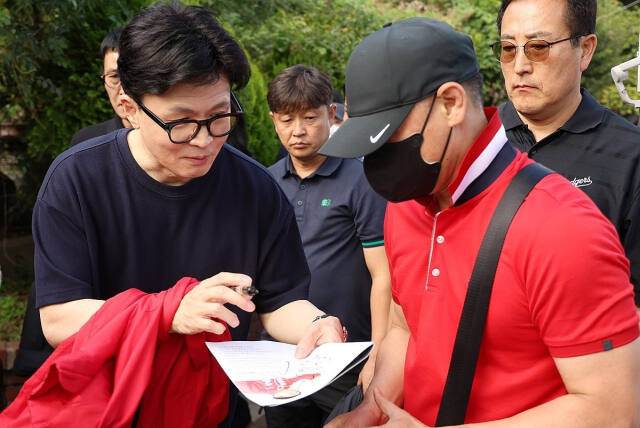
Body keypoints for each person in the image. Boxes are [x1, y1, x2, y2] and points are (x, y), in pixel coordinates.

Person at [31, 2, 344, 426]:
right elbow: (58, 318)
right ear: (129, 106)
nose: (204, 141)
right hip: (105, 409)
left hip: (211, 412)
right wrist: (168, 312)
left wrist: (318, 323)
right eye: (181, 122)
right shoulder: (76, 181)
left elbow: (281, 300)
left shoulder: (255, 189)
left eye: (219, 117)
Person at [318, 17, 640, 427]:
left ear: (451, 104)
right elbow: (403, 324)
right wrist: (372, 408)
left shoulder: (562, 227)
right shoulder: (406, 204)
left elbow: (613, 410)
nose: (377, 158)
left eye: (387, 135)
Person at [265, 65, 390, 427]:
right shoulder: (267, 183)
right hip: (285, 354)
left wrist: (378, 354)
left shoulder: (361, 179)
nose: (298, 131)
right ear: (274, 120)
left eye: (309, 117)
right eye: (286, 120)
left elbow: (383, 275)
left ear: (331, 114)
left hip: (348, 358)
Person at [495, 0, 640, 307]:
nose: (520, 65)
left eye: (537, 47)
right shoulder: (476, 142)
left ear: (584, 50)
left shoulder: (630, 155)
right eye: (508, 48)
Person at [70, 28, 131, 146]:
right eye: (114, 76)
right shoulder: (85, 144)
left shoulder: (172, 138)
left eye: (132, 74)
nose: (124, 90)